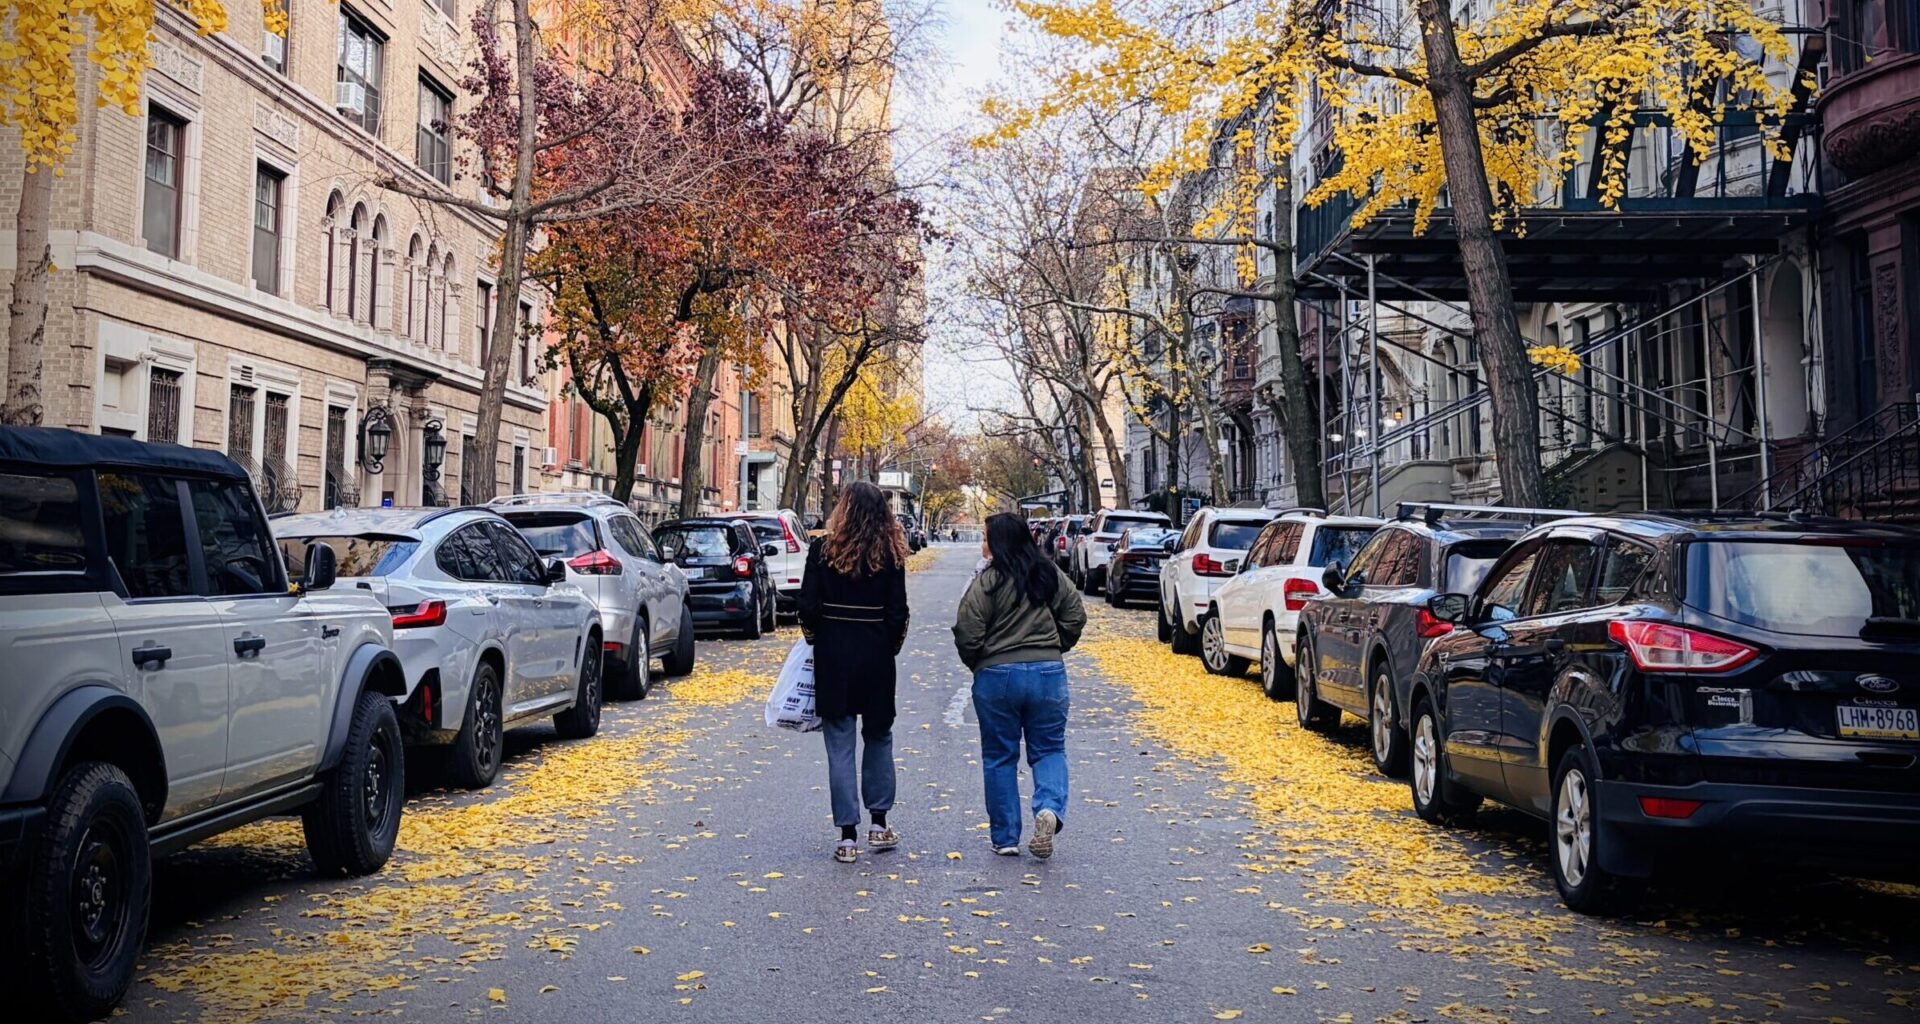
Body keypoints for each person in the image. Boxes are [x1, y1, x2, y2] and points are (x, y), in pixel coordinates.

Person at [952, 512, 1086, 859]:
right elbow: (1075, 614)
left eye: (985, 538)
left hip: (997, 677)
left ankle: (1006, 837)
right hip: (1047, 674)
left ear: (997, 542)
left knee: (999, 756)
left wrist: (980, 662)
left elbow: (968, 628)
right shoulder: (1048, 573)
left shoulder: (987, 581)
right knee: (1050, 749)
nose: (982, 544)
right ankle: (1049, 810)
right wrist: (1055, 646)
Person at [796, 481, 911, 864]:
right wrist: (887, 645)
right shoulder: (892, 553)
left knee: (839, 744)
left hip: (834, 656)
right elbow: (898, 614)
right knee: (879, 736)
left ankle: (847, 835)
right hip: (877, 655)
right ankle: (879, 823)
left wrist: (818, 637)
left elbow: (808, 607)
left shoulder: (822, 550)